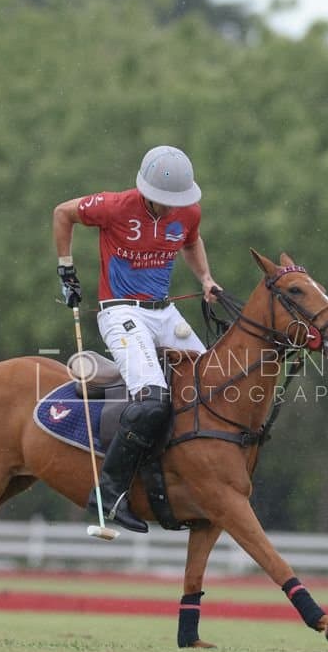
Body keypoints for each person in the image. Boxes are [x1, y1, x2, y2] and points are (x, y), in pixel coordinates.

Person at [53, 145, 220, 533]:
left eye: (173, 202)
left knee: (211, 384)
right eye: (161, 201)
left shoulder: (188, 211)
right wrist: (66, 270)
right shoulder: (114, 206)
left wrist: (206, 279)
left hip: (165, 312)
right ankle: (108, 493)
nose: (167, 209)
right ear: (144, 191)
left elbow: (191, 241)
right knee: (152, 400)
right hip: (121, 311)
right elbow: (63, 213)